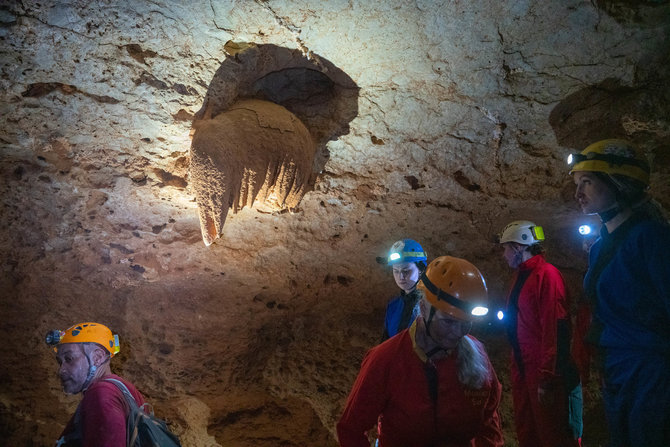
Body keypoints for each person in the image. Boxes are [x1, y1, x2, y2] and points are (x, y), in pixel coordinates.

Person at [337, 256, 504, 447]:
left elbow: (489, 423)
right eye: (448, 322)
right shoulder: (386, 360)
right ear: (423, 308)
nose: (458, 332)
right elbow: (351, 429)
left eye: (465, 323)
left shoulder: (477, 356)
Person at [568, 138, 670, 447]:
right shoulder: (600, 246)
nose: (578, 192)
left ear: (619, 183)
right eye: (577, 183)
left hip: (651, 370)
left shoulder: (652, 239)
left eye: (587, 182)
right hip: (615, 369)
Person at [498, 220, 582, 447]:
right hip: (524, 368)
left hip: (544, 371)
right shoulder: (520, 276)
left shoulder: (547, 275)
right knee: (529, 433)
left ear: (519, 246)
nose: (503, 254)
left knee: (554, 434)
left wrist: (547, 376)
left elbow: (556, 328)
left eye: (506, 247)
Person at [46, 322, 146, 447]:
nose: (61, 370)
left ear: (97, 357)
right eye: (60, 362)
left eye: (69, 359)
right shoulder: (127, 390)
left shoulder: (102, 393)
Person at [380, 238, 427, 341]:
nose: (400, 276)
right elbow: (385, 344)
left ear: (420, 270)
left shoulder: (429, 306)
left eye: (406, 271)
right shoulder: (393, 306)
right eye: (396, 271)